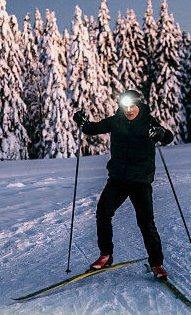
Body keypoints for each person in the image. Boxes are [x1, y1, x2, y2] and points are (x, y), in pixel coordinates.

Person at [73, 89, 174, 279]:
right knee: (103, 213)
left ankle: (157, 264)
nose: (128, 110)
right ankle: (106, 255)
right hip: (118, 180)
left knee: (146, 223)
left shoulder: (148, 123)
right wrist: (82, 122)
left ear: (139, 106)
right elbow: (91, 129)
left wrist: (159, 133)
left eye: (132, 106)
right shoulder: (116, 121)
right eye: (125, 106)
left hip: (140, 182)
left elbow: (167, 137)